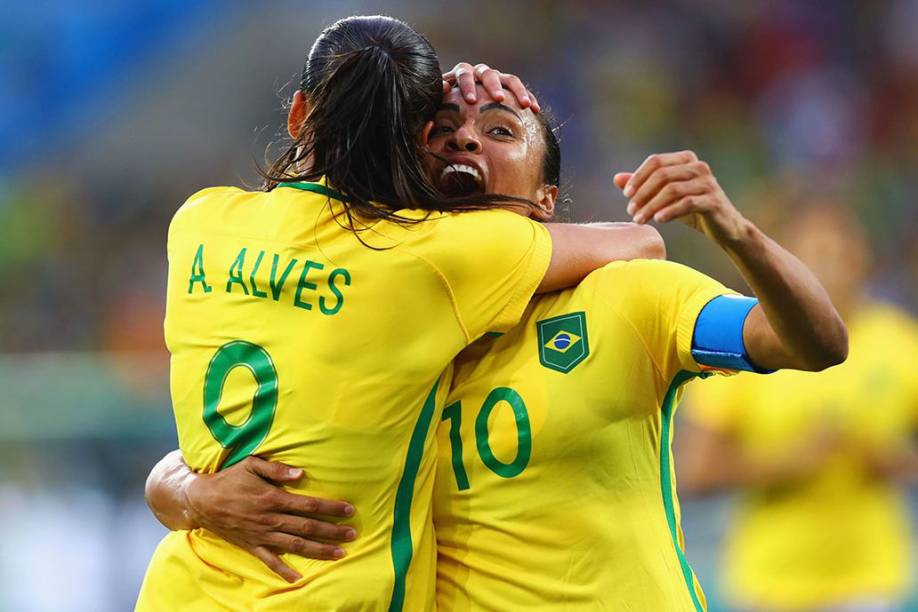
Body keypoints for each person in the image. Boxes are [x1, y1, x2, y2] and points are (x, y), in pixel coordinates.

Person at [145, 81, 848, 611]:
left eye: (501, 130)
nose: (462, 141)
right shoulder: (371, 306)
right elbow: (215, 455)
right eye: (442, 129)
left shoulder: (628, 297)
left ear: (546, 198)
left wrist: (736, 234)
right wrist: (186, 492)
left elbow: (810, 342)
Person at [135, 15, 662, 612]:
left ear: (298, 115)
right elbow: (640, 242)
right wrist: (464, 90)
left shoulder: (200, 222)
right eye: (442, 128)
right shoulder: (432, 256)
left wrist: (181, 490)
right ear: (417, 142)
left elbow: (248, 435)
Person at [678, 204, 918, 612]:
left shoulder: (899, 341)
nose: (830, 266)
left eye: (839, 253)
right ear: (787, 263)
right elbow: (696, 471)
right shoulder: (748, 341)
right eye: (815, 254)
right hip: (769, 583)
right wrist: (788, 463)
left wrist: (887, 460)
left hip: (870, 580)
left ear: (862, 258)